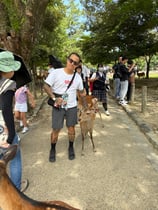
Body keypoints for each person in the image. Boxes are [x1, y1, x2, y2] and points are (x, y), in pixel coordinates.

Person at [44, 52, 86, 162]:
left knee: (71, 129)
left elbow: (82, 92)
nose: (72, 63)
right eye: (70, 60)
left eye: (75, 63)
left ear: (77, 65)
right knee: (56, 129)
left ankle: (71, 146)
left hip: (72, 107)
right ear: (67, 60)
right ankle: (52, 149)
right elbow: (46, 86)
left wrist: (85, 104)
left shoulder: (77, 78)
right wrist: (54, 98)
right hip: (58, 106)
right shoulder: (56, 73)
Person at [0, 51, 28, 192]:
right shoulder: (9, 84)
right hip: (3, 130)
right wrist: (11, 135)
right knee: (15, 158)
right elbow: (5, 108)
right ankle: (15, 192)